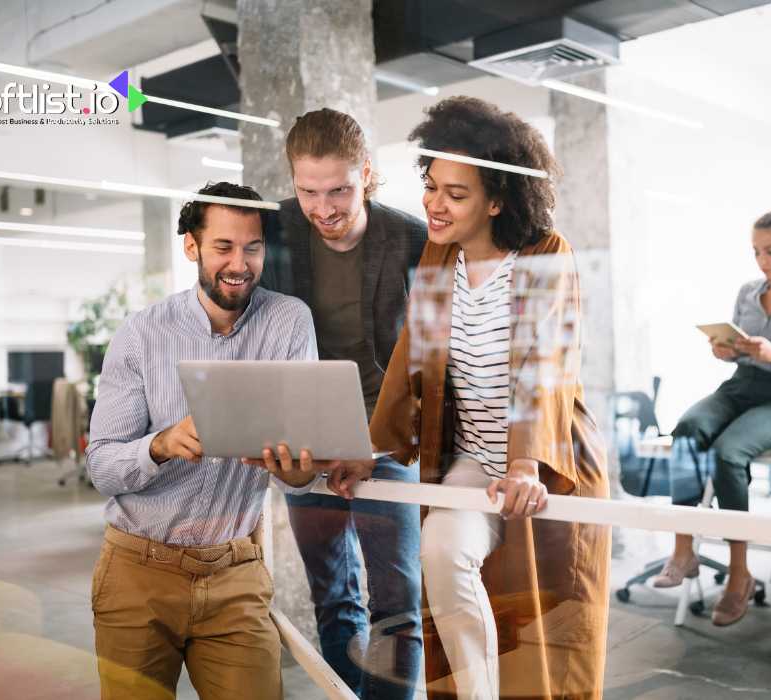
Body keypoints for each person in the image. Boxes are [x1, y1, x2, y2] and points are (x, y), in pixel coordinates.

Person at [332, 96, 611, 700]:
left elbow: (546, 363)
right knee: (440, 551)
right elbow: (413, 357)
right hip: (473, 457)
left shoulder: (544, 253)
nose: (434, 204)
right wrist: (368, 450)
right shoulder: (440, 256)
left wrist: (526, 461)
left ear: (496, 200)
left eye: (455, 195)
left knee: (556, 623)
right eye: (432, 186)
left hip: (548, 458)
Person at [87, 182, 333, 700]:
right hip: (139, 572)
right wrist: (160, 444)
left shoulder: (290, 322)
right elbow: (102, 467)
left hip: (235, 573)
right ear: (192, 247)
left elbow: (299, 476)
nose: (239, 263)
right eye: (223, 247)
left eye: (252, 247)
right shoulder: (142, 334)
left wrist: (294, 463)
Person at [260, 108, 427, 699]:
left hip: (385, 435)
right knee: (332, 594)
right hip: (307, 432)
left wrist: (388, 439)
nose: (324, 208)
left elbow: (433, 359)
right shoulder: (275, 231)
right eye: (309, 191)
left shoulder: (410, 237)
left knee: (397, 602)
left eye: (340, 190)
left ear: (367, 174)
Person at [651, 207, 771, 627]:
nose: (761, 261)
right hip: (739, 388)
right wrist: (725, 349)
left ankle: (740, 573)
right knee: (686, 429)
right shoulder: (747, 291)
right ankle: (684, 549)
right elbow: (734, 349)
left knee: (727, 453)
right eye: (755, 252)